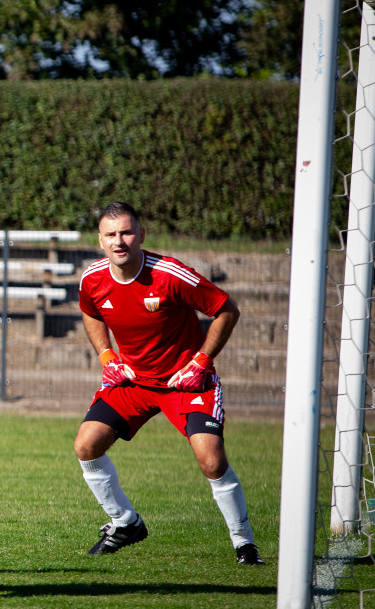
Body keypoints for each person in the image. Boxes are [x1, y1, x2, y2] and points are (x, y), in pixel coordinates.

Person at [74, 201, 263, 565]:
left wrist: (202, 360)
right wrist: (107, 356)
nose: (119, 241)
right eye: (111, 234)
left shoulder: (171, 274)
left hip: (185, 382)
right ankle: (124, 522)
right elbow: (90, 310)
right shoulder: (92, 279)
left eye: (127, 232)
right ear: (100, 240)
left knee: (211, 461)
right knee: (86, 445)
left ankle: (244, 544)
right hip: (133, 382)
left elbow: (226, 309)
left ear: (141, 235)